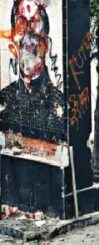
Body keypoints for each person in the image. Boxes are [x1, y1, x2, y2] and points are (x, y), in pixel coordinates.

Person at [0, 0, 65, 142]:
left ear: (46, 44)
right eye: (21, 23)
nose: (28, 39)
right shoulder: (4, 101)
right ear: (13, 46)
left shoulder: (60, 105)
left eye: (34, 23)